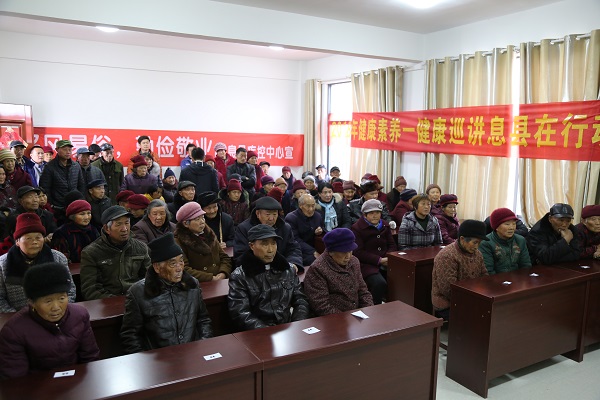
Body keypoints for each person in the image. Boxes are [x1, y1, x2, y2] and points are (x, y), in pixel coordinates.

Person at [0, 262, 99, 379]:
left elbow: (90, 357)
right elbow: (15, 379)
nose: (56, 307)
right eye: (48, 301)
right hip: (38, 386)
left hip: (76, 382)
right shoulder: (13, 331)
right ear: (31, 302)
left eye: (61, 298)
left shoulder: (79, 315)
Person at [120, 233, 213, 354]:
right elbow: (130, 335)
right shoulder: (137, 292)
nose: (179, 268)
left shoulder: (192, 285)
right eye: (173, 263)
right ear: (157, 267)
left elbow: (203, 320)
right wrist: (146, 360)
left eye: (181, 261)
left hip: (192, 354)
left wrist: (204, 345)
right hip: (158, 358)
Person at [228, 224, 310, 331]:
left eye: (273, 243)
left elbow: (301, 300)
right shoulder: (240, 276)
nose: (271, 250)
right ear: (252, 246)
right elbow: (240, 313)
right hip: (258, 333)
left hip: (289, 329)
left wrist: (296, 325)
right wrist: (267, 332)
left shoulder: (288, 269)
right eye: (265, 244)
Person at [0, 213, 76, 312]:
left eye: (38, 238)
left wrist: (59, 311)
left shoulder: (58, 258)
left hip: (55, 313)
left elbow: (70, 290)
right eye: (28, 238)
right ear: (17, 241)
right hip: (18, 316)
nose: (34, 242)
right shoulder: (2, 263)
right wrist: (17, 317)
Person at [80, 206, 151, 300]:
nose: (124, 229)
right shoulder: (91, 253)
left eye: (127, 223)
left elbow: (149, 279)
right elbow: (90, 289)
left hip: (136, 299)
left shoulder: (141, 248)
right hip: (107, 303)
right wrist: (116, 302)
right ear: (107, 228)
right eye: (118, 224)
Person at [304, 228, 373, 316]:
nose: (348, 256)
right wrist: (347, 318)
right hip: (334, 319)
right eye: (343, 252)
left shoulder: (354, 261)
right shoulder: (317, 269)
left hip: (357, 316)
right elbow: (321, 305)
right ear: (331, 252)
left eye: (350, 251)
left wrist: (367, 311)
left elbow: (363, 291)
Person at [431, 220, 489, 321]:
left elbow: (484, 276)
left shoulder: (477, 254)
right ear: (462, 239)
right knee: (476, 319)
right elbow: (448, 289)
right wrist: (474, 300)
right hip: (448, 303)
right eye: (475, 242)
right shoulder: (447, 256)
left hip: (471, 297)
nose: (477, 247)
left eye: (479, 243)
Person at [234, 196, 303, 271]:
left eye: (274, 214)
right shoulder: (244, 228)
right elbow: (240, 255)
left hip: (281, 270)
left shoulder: (285, 228)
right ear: (258, 213)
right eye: (267, 214)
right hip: (255, 271)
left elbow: (293, 248)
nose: (271, 218)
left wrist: (292, 263)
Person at [351, 199, 397, 304]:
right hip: (367, 264)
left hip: (386, 261)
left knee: (400, 278)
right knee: (379, 283)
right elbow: (358, 252)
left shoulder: (385, 225)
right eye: (371, 213)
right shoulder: (357, 228)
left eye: (377, 212)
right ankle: (374, 306)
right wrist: (379, 260)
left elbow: (392, 245)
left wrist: (389, 257)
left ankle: (393, 305)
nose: (375, 216)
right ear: (365, 215)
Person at [174, 202, 232, 282]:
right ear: (186, 223)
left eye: (203, 218)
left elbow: (224, 257)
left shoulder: (209, 234)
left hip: (220, 281)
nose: (202, 222)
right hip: (200, 284)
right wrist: (210, 278)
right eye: (197, 219)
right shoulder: (179, 241)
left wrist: (223, 273)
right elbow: (184, 269)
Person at [479, 208, 531, 275]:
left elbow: (526, 265)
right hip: (496, 280)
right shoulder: (486, 243)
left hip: (518, 279)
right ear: (496, 227)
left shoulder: (520, 240)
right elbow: (489, 271)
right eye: (507, 224)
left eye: (514, 224)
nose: (511, 228)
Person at [39, 140, 86, 213]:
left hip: (74, 205)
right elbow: (45, 188)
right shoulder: (49, 167)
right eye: (65, 149)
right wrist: (51, 205)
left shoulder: (76, 166)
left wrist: (80, 200)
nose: (68, 152)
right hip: (57, 207)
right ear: (57, 149)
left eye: (70, 149)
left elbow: (81, 185)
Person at [285, 194, 324, 266]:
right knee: (316, 261)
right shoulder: (291, 218)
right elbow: (295, 240)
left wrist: (320, 231)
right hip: (298, 250)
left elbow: (322, 230)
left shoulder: (317, 216)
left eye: (313, 206)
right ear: (300, 205)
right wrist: (313, 251)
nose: (311, 209)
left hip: (315, 246)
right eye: (308, 206)